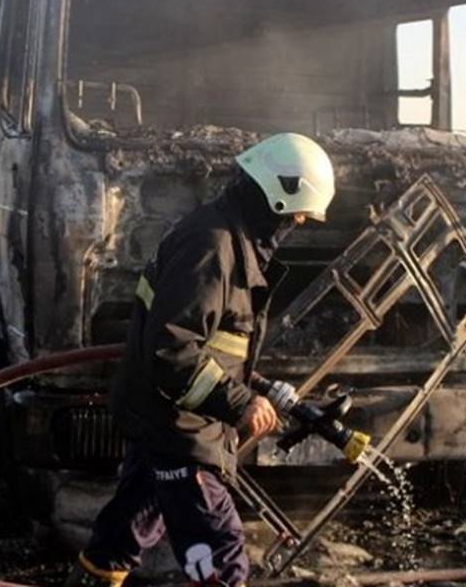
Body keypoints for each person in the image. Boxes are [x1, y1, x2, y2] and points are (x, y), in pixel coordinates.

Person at [66, 133, 337, 586]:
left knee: (121, 536)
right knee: (219, 555)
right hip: (178, 428)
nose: (300, 222)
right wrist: (240, 402)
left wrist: (252, 389)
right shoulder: (212, 247)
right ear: (275, 198)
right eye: (297, 214)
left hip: (167, 419)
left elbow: (213, 344)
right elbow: (172, 349)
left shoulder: (229, 239)